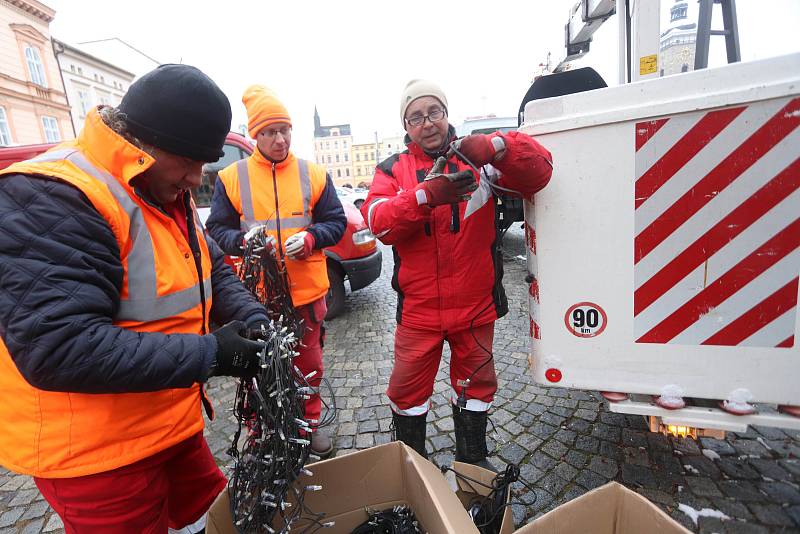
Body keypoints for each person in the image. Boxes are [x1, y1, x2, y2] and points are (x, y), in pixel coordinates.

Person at [0, 64, 272, 533]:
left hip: (168, 421)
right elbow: (59, 347)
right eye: (189, 162)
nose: (196, 178)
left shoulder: (162, 184)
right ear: (144, 143)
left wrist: (251, 316)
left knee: (206, 519)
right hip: (95, 454)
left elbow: (209, 267)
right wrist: (213, 353)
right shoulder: (51, 194)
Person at [361, 79, 553, 466]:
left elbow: (540, 173)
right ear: (406, 126)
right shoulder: (393, 169)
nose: (427, 123)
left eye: (434, 112)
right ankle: (412, 467)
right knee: (406, 392)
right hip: (419, 314)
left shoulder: (478, 160)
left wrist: (498, 146)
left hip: (475, 309)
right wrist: (424, 196)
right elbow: (379, 224)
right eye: (415, 117)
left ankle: (472, 459)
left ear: (446, 115)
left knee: (477, 386)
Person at [206, 85, 346, 458]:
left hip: (305, 294)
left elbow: (336, 222)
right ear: (256, 135)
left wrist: (313, 238)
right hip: (255, 298)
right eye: (270, 131)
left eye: (285, 129)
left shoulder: (312, 174)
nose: (280, 138)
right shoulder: (232, 178)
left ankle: (309, 428)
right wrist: (245, 242)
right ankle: (261, 433)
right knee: (257, 368)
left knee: (308, 366)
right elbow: (216, 232)